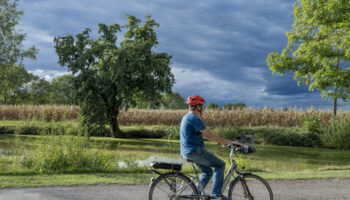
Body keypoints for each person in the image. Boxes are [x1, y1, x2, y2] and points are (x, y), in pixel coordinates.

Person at [180, 95, 242, 200]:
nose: (204, 108)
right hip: (195, 151)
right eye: (203, 106)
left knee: (208, 172)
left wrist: (223, 143)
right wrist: (231, 142)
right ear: (198, 106)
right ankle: (216, 194)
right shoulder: (194, 118)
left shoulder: (187, 117)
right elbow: (211, 135)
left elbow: (204, 136)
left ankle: (195, 196)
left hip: (188, 151)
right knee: (220, 165)